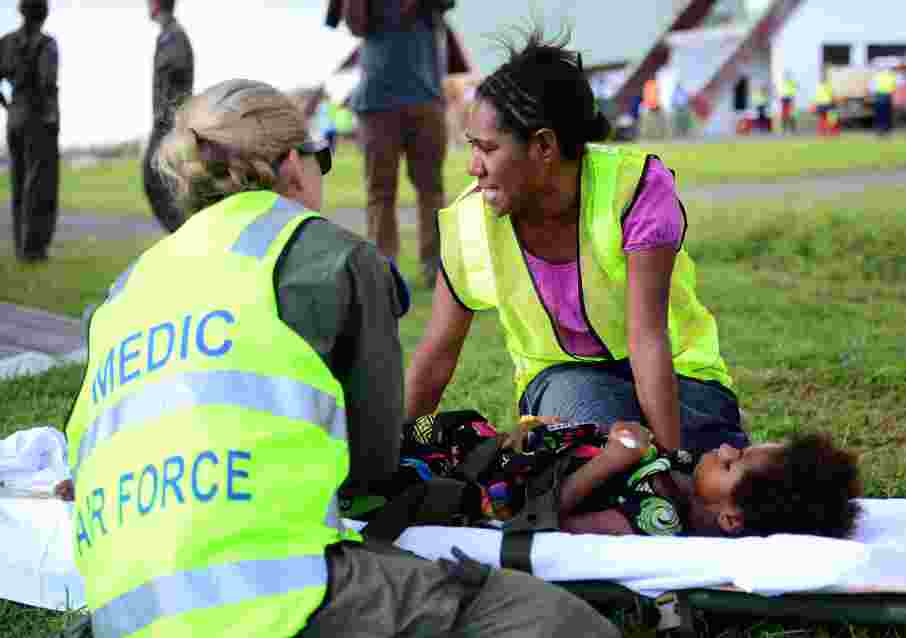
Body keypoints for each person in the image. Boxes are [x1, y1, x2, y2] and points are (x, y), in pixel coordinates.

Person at [63, 79, 618, 638]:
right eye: (319, 158)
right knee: (553, 620)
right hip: (269, 598)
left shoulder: (123, 291)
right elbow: (369, 468)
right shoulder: (333, 258)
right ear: (291, 165)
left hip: (121, 610)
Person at [405, 28, 747, 471]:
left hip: (679, 377)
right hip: (568, 383)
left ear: (544, 145)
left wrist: (670, 460)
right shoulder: (470, 221)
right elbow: (437, 354)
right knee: (599, 441)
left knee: (658, 458)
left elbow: (647, 338)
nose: (474, 167)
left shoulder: (635, 187)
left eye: (487, 148)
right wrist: (394, 454)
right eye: (472, 147)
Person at [403, 417, 862, 538]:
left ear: (730, 519)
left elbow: (548, 519)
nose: (724, 448)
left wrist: (610, 461)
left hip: (488, 484)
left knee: (401, 456)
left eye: (731, 461)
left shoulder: (655, 519)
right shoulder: (686, 474)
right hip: (511, 450)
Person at [343, 0, 450, 287]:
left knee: (431, 188)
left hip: (422, 97)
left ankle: (435, 267)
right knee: (381, 191)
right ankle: (385, 271)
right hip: (379, 101)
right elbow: (354, 24)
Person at [0, 0, 59, 262]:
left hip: (14, 117)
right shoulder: (47, 44)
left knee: (18, 182)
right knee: (40, 184)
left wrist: (9, 105)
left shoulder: (6, 42)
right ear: (43, 14)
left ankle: (20, 247)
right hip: (38, 118)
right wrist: (51, 116)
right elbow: (48, 83)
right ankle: (33, 251)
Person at [143, 0, 193, 234]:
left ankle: (182, 234)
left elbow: (178, 75)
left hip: (170, 122)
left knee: (154, 177)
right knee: (164, 183)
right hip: (166, 121)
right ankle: (182, 234)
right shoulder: (167, 36)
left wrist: (169, 116)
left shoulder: (175, 37)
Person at [872, 67, 897, 136]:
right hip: (887, 96)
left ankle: (879, 130)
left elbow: (872, 87)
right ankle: (886, 130)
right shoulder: (891, 76)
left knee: (879, 114)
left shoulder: (877, 76)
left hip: (879, 96)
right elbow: (894, 87)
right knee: (887, 114)